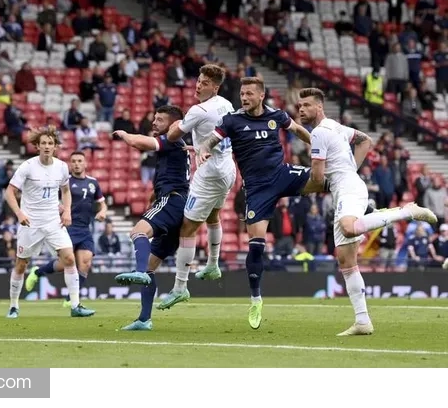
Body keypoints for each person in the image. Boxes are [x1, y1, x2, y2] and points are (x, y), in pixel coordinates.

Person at [297, 87, 437, 335]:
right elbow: (365, 141)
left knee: (348, 228)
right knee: (346, 260)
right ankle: (362, 321)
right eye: (300, 105)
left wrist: (297, 189)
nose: (301, 109)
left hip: (348, 189)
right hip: (346, 188)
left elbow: (317, 178)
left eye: (307, 105)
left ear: (319, 107)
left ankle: (407, 212)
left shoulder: (319, 132)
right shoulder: (336, 127)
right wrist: (350, 169)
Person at [196, 77, 324, 330]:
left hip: (281, 174)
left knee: (327, 180)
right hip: (256, 189)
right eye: (242, 94)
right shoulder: (232, 120)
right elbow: (212, 139)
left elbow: (297, 130)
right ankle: (256, 300)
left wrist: (319, 143)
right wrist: (203, 149)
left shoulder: (276, 115)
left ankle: (367, 208)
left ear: (261, 96)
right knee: (256, 247)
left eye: (249, 94)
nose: (244, 98)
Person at [158, 64, 235, 309]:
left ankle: (180, 287)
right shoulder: (226, 104)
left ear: (215, 87)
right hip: (227, 168)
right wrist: (200, 145)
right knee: (213, 216)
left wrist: (177, 124)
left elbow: (172, 136)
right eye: (199, 80)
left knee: (187, 229)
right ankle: (213, 265)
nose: (199, 85)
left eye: (205, 83)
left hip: (209, 173)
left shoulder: (198, 110)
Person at [111, 105, 190, 331]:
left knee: (138, 232)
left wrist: (125, 134)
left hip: (172, 201)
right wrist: (153, 196)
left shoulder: (172, 140)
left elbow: (140, 143)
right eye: (154, 118)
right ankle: (144, 319)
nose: (154, 122)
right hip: (177, 204)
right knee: (150, 267)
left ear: (174, 125)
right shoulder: (178, 146)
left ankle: (138, 272)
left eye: (160, 120)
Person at [4, 127, 95, 318]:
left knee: (69, 259)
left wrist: (67, 210)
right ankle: (13, 306)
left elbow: (66, 191)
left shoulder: (61, 167)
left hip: (53, 221)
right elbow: (9, 192)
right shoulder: (28, 166)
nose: (47, 146)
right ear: (37, 146)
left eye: (50, 143)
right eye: (43, 143)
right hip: (31, 223)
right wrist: (19, 213)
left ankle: (75, 305)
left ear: (55, 147)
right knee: (21, 264)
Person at [25, 151, 107, 309]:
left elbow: (102, 203)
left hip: (85, 229)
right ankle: (37, 272)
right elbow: (48, 197)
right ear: (70, 164)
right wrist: (58, 206)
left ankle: (70, 299)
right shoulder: (65, 181)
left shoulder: (93, 183)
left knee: (85, 264)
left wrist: (103, 211)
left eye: (80, 161)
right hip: (67, 227)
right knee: (65, 263)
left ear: (85, 164)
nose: (76, 164)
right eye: (74, 161)